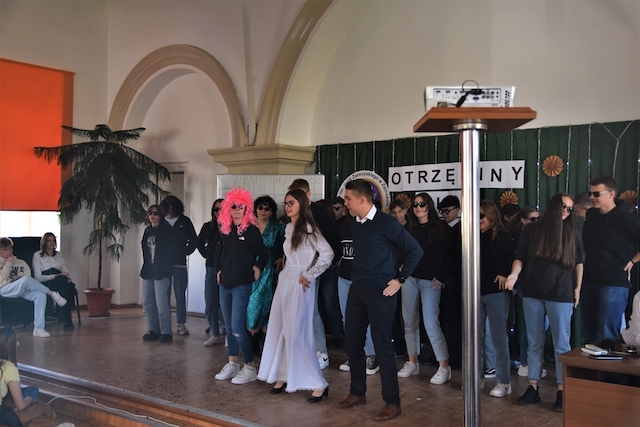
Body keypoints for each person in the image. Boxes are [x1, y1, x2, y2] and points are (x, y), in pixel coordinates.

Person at [338, 179, 423, 422]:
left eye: (348, 199)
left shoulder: (387, 223)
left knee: (382, 346)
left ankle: (392, 402)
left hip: (382, 292)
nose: (346, 204)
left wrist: (400, 280)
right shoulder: (354, 223)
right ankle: (357, 392)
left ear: (362, 199)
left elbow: (415, 250)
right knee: (353, 342)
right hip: (358, 289)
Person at [506, 193, 583, 412]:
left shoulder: (571, 231)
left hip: (561, 292)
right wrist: (514, 274)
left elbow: (579, 262)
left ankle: (562, 390)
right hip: (532, 291)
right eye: (563, 206)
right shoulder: (532, 229)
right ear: (553, 206)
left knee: (561, 344)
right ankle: (533, 387)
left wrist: (577, 289)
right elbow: (520, 256)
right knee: (534, 341)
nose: (566, 211)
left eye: (570, 209)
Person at [258, 189, 334, 402]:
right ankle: (283, 374)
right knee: (280, 329)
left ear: (302, 203)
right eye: (286, 203)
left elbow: (327, 254)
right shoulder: (289, 227)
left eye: (291, 202)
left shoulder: (310, 228)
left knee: (296, 333)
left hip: (300, 283)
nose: (287, 206)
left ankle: (318, 383)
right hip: (286, 280)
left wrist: (310, 274)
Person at [397, 193, 453, 384]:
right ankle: (413, 362)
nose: (418, 208)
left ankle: (444, 366)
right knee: (409, 321)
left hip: (431, 281)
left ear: (429, 206)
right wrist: (401, 266)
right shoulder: (409, 228)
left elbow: (452, 255)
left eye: (422, 204)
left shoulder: (441, 228)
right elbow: (401, 249)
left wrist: (442, 276)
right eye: (415, 205)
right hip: (410, 279)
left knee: (431, 323)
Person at [214, 188, 268, 385]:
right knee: (229, 328)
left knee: (237, 327)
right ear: (228, 208)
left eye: (240, 206)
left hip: (241, 285)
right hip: (225, 284)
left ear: (246, 209)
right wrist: (219, 270)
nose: (236, 210)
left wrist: (258, 266)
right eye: (233, 206)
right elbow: (219, 252)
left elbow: (264, 253)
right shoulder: (225, 230)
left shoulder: (251, 231)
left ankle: (250, 366)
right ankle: (232, 362)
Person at [288, 179, 340, 366]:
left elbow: (330, 240)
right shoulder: (290, 223)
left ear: (307, 195)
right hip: (299, 272)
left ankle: (324, 348)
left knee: (319, 307)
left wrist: (322, 265)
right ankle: (304, 349)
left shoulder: (318, 214)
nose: (290, 205)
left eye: (296, 198)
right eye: (289, 201)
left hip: (318, 267)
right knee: (302, 310)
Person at [582, 176, 640, 343]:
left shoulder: (627, 219)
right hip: (590, 279)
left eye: (596, 194)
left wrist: (633, 261)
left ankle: (609, 361)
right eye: (590, 193)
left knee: (608, 335)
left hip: (614, 281)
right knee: (589, 334)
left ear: (611, 194)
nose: (592, 197)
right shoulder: (591, 215)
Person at [479, 200, 515, 398]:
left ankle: (504, 381)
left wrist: (504, 272)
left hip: (496, 292)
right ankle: (477, 377)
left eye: (482, 216)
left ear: (491, 216)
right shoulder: (474, 236)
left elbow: (514, 258)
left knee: (498, 337)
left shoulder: (503, 236)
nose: (479, 220)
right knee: (475, 337)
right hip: (476, 291)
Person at [337, 210, 379, 375]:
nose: (348, 205)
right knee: (347, 319)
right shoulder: (344, 226)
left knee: (365, 318)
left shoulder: (370, 225)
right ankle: (354, 355)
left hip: (362, 279)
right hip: (344, 276)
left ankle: (371, 355)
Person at [0, 238, 67, 338]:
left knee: (40, 295)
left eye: (10, 248)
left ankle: (38, 329)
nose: (9, 251)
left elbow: (29, 279)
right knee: (26, 280)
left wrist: (20, 280)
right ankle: (52, 294)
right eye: (5, 249)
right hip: (4, 289)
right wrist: (8, 263)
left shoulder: (21, 262)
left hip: (22, 289)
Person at [247, 195, 285, 352]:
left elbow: (285, 247)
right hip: (251, 270)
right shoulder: (248, 227)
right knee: (252, 303)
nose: (263, 211)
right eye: (260, 208)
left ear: (272, 211)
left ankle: (265, 341)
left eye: (267, 208)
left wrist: (282, 258)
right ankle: (252, 337)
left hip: (270, 270)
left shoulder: (278, 228)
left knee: (267, 304)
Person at [161, 195, 197, 336]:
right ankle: (165, 325)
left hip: (180, 264)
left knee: (180, 295)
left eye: (173, 208)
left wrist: (185, 251)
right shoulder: (161, 221)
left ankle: (181, 324)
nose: (170, 210)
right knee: (164, 295)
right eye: (168, 208)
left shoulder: (184, 221)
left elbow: (194, 240)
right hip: (163, 265)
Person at [140, 205, 177, 343]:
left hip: (162, 271)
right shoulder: (148, 230)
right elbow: (144, 250)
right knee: (147, 302)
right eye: (150, 213)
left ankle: (166, 331)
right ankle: (153, 330)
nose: (152, 216)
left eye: (155, 213)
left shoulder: (167, 231)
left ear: (161, 215)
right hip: (148, 270)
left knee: (161, 303)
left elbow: (171, 251)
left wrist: (165, 268)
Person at [436, 195, 462, 369]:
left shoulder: (461, 230)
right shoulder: (440, 228)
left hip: (454, 282)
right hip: (440, 280)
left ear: (457, 210)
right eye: (442, 211)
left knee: (453, 321)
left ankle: (455, 356)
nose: (444, 214)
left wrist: (443, 276)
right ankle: (440, 355)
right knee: (440, 319)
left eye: (447, 211)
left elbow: (455, 257)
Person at [32, 232, 77, 330]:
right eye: (49, 240)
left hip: (60, 280)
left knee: (69, 285)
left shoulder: (59, 255)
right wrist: (56, 276)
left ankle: (63, 314)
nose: (52, 243)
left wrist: (66, 276)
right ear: (44, 242)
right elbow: (38, 277)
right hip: (46, 281)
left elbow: (65, 270)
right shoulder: (37, 255)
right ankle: (66, 317)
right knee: (65, 285)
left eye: (53, 240)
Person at [0, 327, 41, 427]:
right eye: (16, 341)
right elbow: (21, 406)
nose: (18, 343)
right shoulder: (8, 367)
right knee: (32, 391)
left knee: (31, 389)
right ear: (7, 345)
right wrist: (29, 399)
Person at [196, 199, 224, 346]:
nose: (219, 212)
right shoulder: (208, 227)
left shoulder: (231, 227)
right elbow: (199, 243)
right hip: (212, 268)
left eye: (222, 209)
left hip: (227, 269)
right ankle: (214, 333)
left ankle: (226, 331)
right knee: (210, 303)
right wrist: (207, 255)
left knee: (225, 304)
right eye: (216, 209)